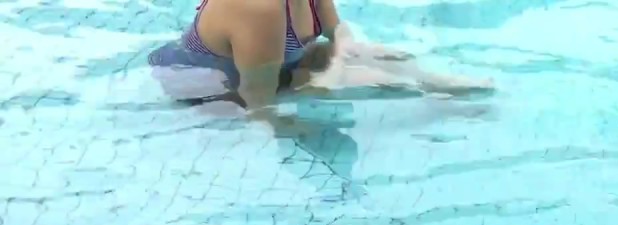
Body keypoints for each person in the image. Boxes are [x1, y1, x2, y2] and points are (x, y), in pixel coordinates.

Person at [146, 0, 493, 113]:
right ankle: (441, 105)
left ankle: (439, 84)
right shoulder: (259, 8)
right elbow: (257, 101)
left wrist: (345, 56)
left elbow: (338, 32)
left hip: (271, 64)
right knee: (365, 79)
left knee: (385, 58)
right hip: (205, 83)